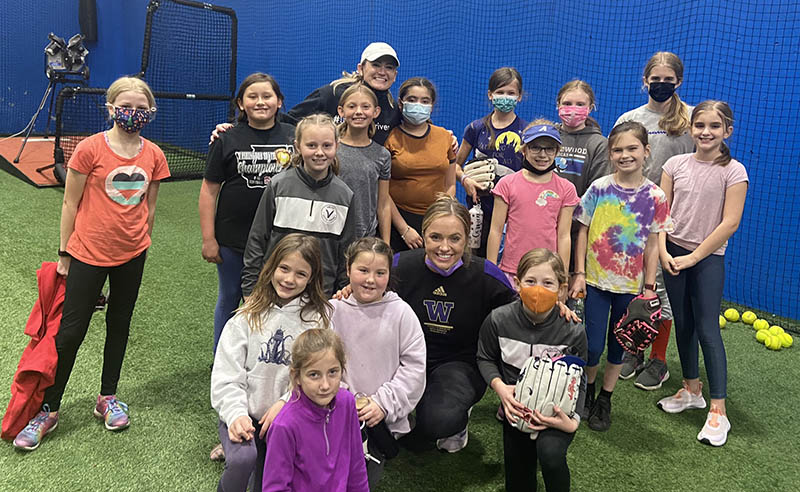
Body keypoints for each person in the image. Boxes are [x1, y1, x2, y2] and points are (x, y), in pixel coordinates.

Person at [13, 76, 170, 451]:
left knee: (119, 324)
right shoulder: (88, 149)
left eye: (141, 108)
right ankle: (47, 409)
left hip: (132, 255)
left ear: (150, 113)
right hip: (85, 253)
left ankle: (107, 398)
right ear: (112, 108)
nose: (133, 113)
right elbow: (70, 203)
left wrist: (140, 242)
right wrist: (64, 253)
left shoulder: (154, 155)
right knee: (70, 333)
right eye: (125, 106)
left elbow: (149, 206)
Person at [391, 195, 517, 452]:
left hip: (459, 363)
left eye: (454, 238)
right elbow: (367, 288)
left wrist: (550, 306)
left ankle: (456, 419)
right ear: (423, 235)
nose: (444, 247)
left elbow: (521, 313)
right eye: (435, 237)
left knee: (438, 421)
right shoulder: (400, 266)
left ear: (467, 238)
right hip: (405, 358)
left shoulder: (486, 276)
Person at [569, 121, 673, 431]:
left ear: (646, 151)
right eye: (618, 149)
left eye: (632, 148)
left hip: (631, 287)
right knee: (593, 345)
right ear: (610, 153)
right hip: (595, 282)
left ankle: (605, 397)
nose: (625, 155)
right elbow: (583, 230)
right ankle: (586, 392)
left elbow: (654, 243)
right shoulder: (599, 188)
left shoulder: (655, 197)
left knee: (619, 346)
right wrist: (578, 273)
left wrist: (650, 287)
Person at [656, 101, 747, 447]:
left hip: (706, 258)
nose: (706, 132)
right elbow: (661, 212)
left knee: (707, 328)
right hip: (673, 254)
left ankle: (718, 410)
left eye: (714, 126)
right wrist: (664, 250)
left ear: (728, 131)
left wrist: (695, 256)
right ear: (691, 128)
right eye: (700, 125)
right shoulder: (674, 164)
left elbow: (730, 222)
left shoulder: (734, 171)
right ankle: (691, 389)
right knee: (683, 323)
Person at [210, 233, 332, 491]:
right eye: (284, 268)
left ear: (312, 278)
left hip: (288, 419)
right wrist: (235, 415)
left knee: (269, 483)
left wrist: (287, 404)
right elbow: (227, 376)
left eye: (300, 274)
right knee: (243, 458)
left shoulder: (318, 322)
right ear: (271, 267)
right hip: (245, 414)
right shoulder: (246, 317)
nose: (289, 279)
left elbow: (320, 379)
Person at [199, 73, 295, 356]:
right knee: (230, 297)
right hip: (232, 239)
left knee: (278, 299)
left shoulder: (295, 135)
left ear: (279, 102)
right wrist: (209, 239)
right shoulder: (226, 138)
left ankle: (269, 359)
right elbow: (208, 191)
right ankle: (223, 361)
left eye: (267, 96)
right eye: (252, 97)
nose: (260, 102)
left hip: (281, 238)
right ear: (241, 103)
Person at [614, 52, 694, 390]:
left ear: (678, 81)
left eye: (668, 80)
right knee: (635, 286)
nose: (661, 85)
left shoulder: (691, 118)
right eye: (655, 80)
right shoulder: (631, 118)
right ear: (644, 81)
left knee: (659, 288)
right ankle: (634, 349)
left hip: (671, 221)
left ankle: (659, 360)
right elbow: (617, 167)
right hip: (632, 219)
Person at [478, 248, 588, 492]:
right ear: (517, 284)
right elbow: (484, 357)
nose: (538, 290)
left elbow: (581, 379)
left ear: (561, 289)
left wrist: (574, 420)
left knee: (550, 454)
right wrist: (500, 388)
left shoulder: (572, 330)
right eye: (530, 281)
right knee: (518, 478)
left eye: (548, 283)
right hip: (516, 410)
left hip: (556, 414)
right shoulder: (498, 320)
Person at [331, 237, 426, 488]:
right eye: (363, 270)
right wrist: (342, 401)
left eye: (380, 272)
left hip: (378, 420)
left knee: (360, 480)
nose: (371, 280)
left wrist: (382, 404)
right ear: (348, 268)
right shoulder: (332, 311)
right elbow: (316, 366)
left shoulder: (401, 313)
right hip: (333, 413)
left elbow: (414, 368)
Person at [241, 114, 355, 298]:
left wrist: (343, 290)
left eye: (327, 145)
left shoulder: (345, 195)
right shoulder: (278, 186)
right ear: (297, 147)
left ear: (337, 146)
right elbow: (257, 239)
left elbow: (346, 252)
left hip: (320, 296)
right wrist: (250, 288)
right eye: (311, 145)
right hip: (274, 291)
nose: (319, 152)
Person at [262, 329, 369, 491]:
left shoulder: (346, 402)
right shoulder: (284, 425)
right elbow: (275, 487)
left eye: (333, 372)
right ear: (297, 376)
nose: (325, 385)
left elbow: (356, 463)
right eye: (314, 375)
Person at [487, 121, 579, 284]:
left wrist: (562, 277)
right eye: (535, 147)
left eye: (549, 148)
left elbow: (564, 236)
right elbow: (495, 230)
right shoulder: (507, 184)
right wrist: (491, 271)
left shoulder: (566, 188)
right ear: (524, 150)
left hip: (547, 274)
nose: (542, 155)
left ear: (557, 151)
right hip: (511, 271)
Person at [455, 67, 528, 257]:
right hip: (478, 209)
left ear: (519, 96)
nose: (505, 97)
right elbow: (454, 165)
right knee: (473, 260)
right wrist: (465, 180)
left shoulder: (527, 132)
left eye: (511, 93)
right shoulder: (476, 128)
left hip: (511, 212)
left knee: (504, 262)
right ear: (490, 95)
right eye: (500, 92)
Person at [385, 77, 457, 253]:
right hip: (399, 223)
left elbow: (450, 184)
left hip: (436, 220)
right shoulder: (389, 139)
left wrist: (441, 218)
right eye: (412, 100)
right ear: (401, 104)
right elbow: (382, 193)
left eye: (424, 101)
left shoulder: (445, 137)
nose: (418, 105)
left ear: (432, 106)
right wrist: (404, 229)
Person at [286, 42, 402, 145]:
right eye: (376, 65)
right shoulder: (332, 94)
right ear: (361, 68)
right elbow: (289, 122)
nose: (382, 72)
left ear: (395, 75)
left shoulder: (392, 110)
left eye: (389, 67)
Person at [336, 83, 393, 242]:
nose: (359, 112)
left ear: (376, 112)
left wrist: (386, 243)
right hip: (331, 235)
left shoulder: (382, 155)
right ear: (341, 111)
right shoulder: (330, 149)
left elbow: (383, 204)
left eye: (365, 107)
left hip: (365, 239)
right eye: (352, 106)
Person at [554, 80, 609, 199]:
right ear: (558, 105)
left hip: (579, 214)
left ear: (590, 108)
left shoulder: (599, 144)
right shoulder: (549, 138)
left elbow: (597, 188)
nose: (573, 110)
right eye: (567, 103)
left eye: (580, 104)